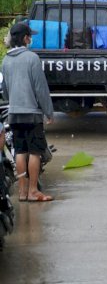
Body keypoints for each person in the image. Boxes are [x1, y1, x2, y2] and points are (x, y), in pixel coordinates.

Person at [1, 22, 54, 202]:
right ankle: (33, 191)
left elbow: (5, 91)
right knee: (35, 152)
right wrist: (49, 112)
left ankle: (23, 192)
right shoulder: (32, 58)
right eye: (29, 36)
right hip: (32, 114)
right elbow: (41, 89)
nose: (31, 39)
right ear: (25, 38)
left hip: (14, 114)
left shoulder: (5, 60)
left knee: (20, 151)